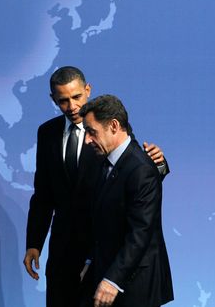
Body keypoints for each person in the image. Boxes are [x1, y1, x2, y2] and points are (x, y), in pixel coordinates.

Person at [23, 66, 169, 307]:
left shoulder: (109, 128)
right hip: (63, 251)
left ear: (87, 90)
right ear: (53, 100)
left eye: (76, 97)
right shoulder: (47, 133)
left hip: (100, 250)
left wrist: (160, 165)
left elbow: (135, 175)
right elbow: (43, 194)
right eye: (63, 101)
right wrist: (34, 242)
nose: (71, 106)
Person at [79, 94, 174, 307]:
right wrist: (90, 261)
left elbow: (140, 233)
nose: (87, 140)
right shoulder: (104, 162)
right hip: (106, 271)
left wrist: (113, 280)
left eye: (91, 132)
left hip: (133, 285)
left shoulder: (140, 169)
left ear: (114, 126)